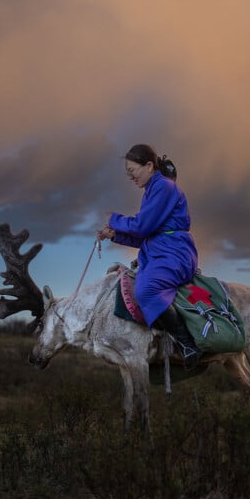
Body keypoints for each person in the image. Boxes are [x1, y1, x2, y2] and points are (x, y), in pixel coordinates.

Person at [97, 144, 202, 365]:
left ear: (149, 165)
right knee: (140, 287)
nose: (131, 177)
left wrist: (114, 219)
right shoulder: (152, 191)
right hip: (160, 253)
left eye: (132, 170)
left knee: (145, 291)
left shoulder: (164, 186)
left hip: (175, 253)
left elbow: (143, 226)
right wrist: (115, 235)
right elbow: (145, 236)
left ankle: (187, 343)